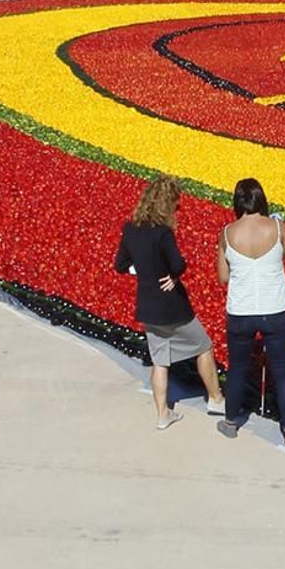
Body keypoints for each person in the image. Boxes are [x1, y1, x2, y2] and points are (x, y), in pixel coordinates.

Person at [114, 177, 226, 429]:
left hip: (148, 308)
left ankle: (163, 414)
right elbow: (178, 265)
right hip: (172, 307)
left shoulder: (130, 228)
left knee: (160, 361)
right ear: (167, 204)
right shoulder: (162, 232)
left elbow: (120, 265)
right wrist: (170, 276)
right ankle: (216, 400)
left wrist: (143, 272)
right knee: (203, 346)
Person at [216, 176, 285, 454]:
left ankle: (230, 422)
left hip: (241, 311)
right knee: (282, 373)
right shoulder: (277, 227)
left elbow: (222, 277)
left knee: (238, 367)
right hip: (275, 309)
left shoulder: (227, 232)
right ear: (261, 200)